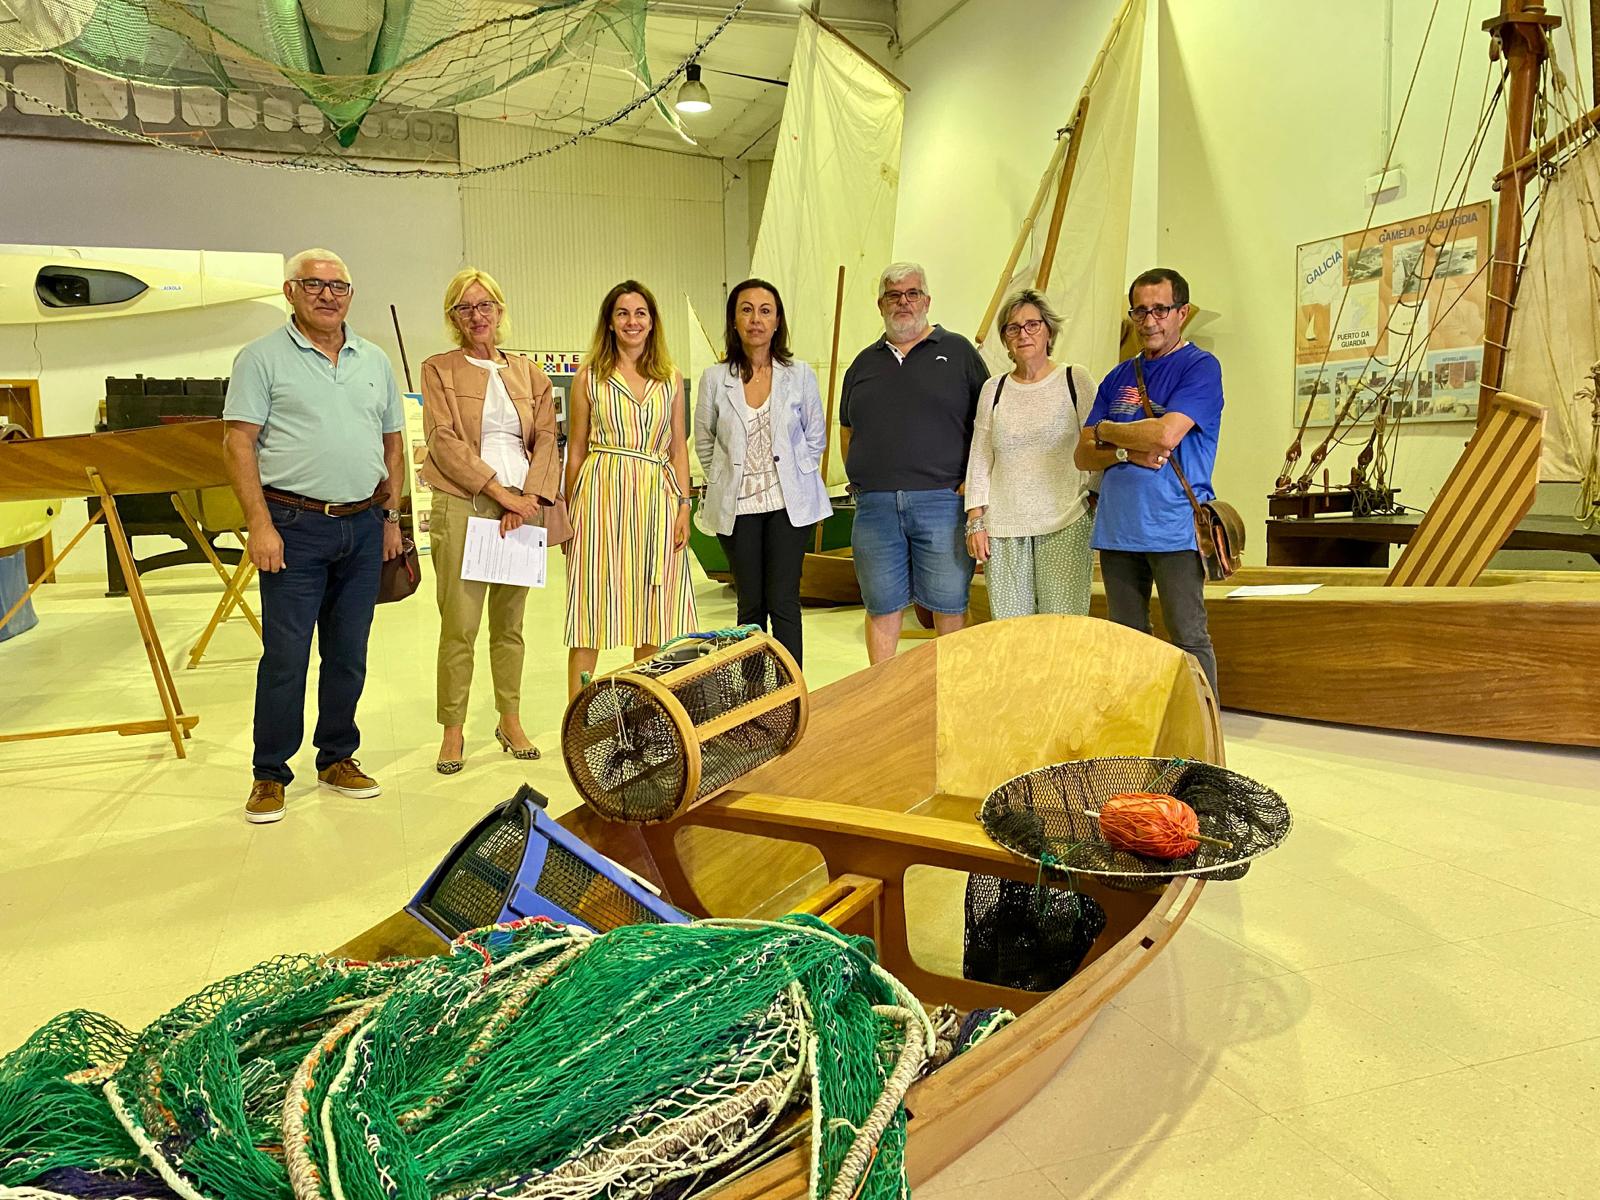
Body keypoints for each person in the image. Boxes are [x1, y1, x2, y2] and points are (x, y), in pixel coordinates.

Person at [223, 248, 405, 824]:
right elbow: (237, 443)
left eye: (338, 285)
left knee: (348, 654)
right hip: (293, 526)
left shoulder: (374, 359)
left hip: (363, 525)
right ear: (290, 291)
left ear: (350, 294)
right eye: (314, 284)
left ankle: (337, 757)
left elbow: (393, 443)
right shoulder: (261, 358)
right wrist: (259, 523)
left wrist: (391, 518)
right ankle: (270, 773)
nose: (328, 295)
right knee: (286, 656)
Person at [418, 267, 561, 774]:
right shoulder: (439, 369)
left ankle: (510, 719)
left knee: (510, 625)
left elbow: (547, 439)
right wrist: (499, 492)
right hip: (466, 502)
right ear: (453, 317)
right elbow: (442, 440)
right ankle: (452, 729)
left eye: (485, 305)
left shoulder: (531, 374)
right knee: (459, 625)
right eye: (465, 307)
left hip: (523, 507)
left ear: (500, 310)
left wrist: (529, 498)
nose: (476, 315)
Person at [1074, 267, 1223, 697]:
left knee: (1188, 637)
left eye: (1160, 309)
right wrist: (1124, 449)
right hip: (1117, 529)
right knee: (1127, 641)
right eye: (1140, 311)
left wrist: (1107, 430)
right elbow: (1082, 455)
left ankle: (1203, 727)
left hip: (1174, 528)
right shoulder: (1117, 376)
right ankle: (1140, 725)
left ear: (1182, 313)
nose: (1149, 321)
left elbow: (1165, 435)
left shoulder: (1200, 367)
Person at [839, 262, 987, 664]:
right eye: (893, 295)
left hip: (943, 501)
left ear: (927, 300)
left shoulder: (959, 353)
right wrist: (862, 480)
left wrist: (972, 485)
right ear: (880, 305)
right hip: (876, 506)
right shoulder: (862, 364)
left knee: (949, 604)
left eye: (912, 293)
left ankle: (949, 689)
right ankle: (884, 692)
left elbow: (986, 425)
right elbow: (848, 430)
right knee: (881, 604)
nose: (903, 302)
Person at [564, 280, 697, 698]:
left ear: (652, 322)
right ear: (610, 322)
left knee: (652, 613)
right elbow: (576, 449)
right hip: (600, 498)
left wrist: (684, 506)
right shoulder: (590, 377)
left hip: (657, 498)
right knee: (590, 607)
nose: (632, 321)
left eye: (640, 313)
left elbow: (678, 447)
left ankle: (643, 711)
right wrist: (568, 514)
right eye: (622, 313)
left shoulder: (670, 379)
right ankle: (579, 716)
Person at [693, 278, 830, 665]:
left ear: (777, 321)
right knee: (750, 604)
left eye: (765, 311)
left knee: (784, 601)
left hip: (789, 504)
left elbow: (815, 437)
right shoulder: (714, 378)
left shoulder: (799, 374)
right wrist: (726, 478)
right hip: (737, 507)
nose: (756, 319)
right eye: (747, 310)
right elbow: (704, 441)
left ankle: (792, 690)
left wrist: (796, 477)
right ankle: (753, 691)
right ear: (734, 320)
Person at [964, 288, 1097, 618]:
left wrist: (1094, 495)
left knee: (1063, 627)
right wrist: (975, 521)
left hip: (1066, 521)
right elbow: (980, 457)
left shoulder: (1075, 379)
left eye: (1032, 325)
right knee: (1012, 632)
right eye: (1013, 328)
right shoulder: (993, 390)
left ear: (1048, 330)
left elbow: (1096, 443)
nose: (1023, 334)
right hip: (1004, 528)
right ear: (1005, 339)